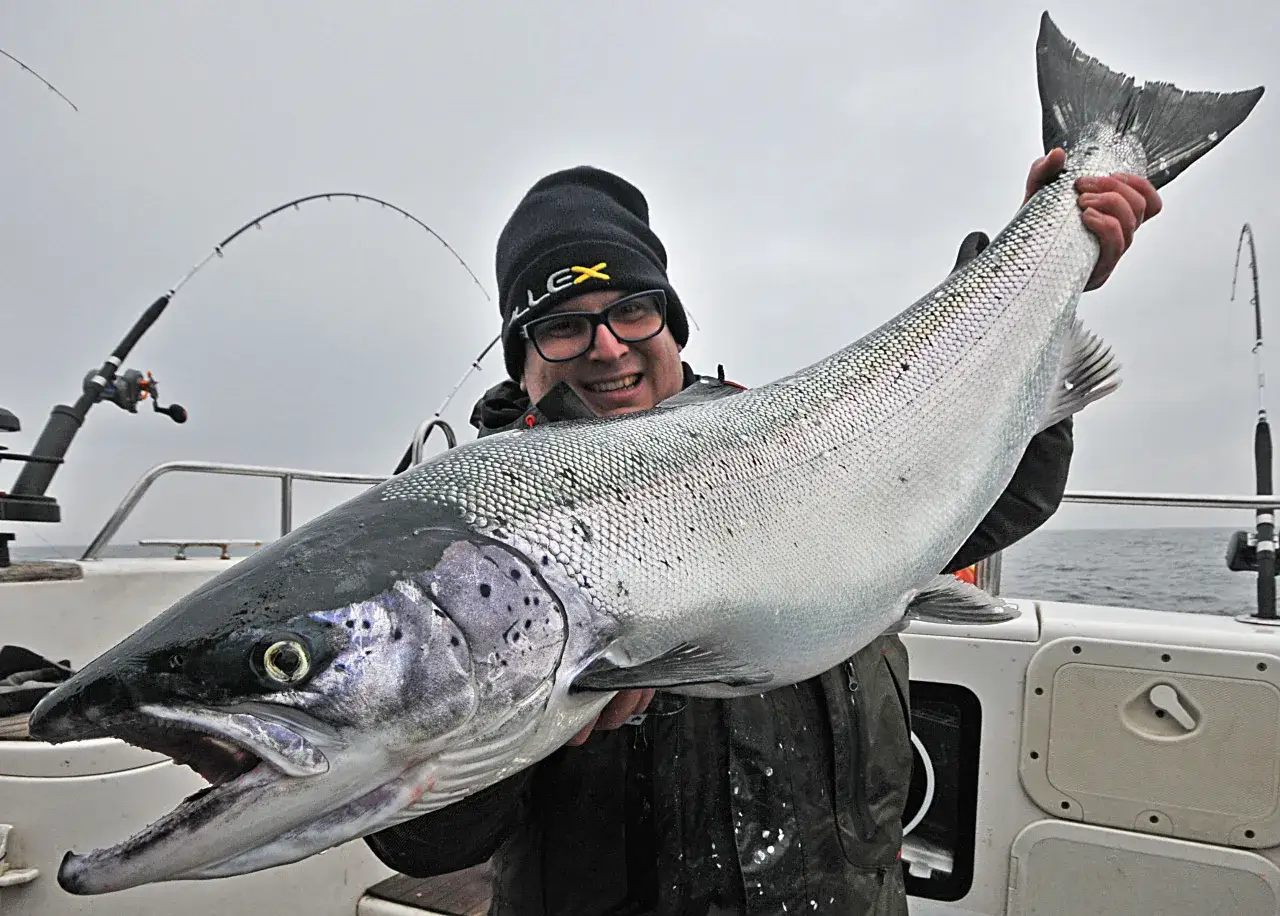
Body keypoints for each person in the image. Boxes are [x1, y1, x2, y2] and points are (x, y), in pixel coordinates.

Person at [370, 155, 1161, 915]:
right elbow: (424, 842)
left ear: (671, 324)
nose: (608, 347)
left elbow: (1007, 499)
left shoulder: (798, 448)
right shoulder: (457, 545)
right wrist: (525, 720)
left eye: (632, 310)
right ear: (523, 358)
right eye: (563, 326)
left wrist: (1047, 271)